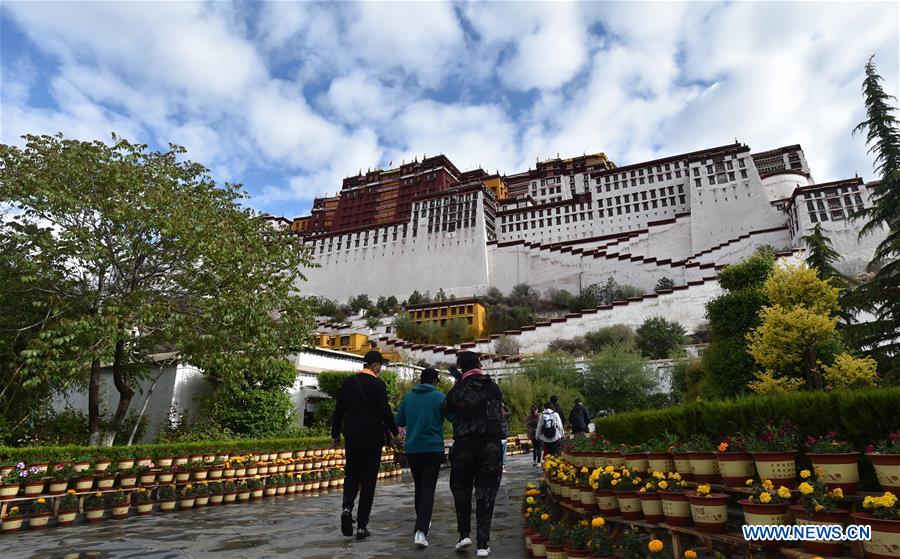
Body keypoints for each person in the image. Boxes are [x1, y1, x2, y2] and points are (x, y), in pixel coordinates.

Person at [331, 350, 399, 541]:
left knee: (351, 474)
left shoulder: (348, 383)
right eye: (381, 365)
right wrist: (394, 432)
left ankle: (347, 507)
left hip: (352, 437)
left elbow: (339, 412)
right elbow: (385, 411)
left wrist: (335, 435)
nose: (381, 369)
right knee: (368, 481)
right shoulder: (378, 385)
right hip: (372, 438)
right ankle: (362, 526)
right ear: (375, 365)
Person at [444, 351, 504, 558]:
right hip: (490, 446)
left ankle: (463, 535)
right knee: (486, 494)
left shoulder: (459, 388)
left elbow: (446, 408)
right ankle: (483, 543)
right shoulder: (493, 387)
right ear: (479, 363)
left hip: (464, 447)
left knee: (461, 490)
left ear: (461, 368)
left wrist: (458, 383)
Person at [395, 367, 445, 549]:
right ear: (434, 381)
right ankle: (421, 530)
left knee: (419, 487)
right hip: (432, 448)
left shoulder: (408, 397)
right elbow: (452, 417)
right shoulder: (439, 397)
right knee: (428, 489)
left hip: (413, 449)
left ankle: (422, 522)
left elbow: (399, 421)